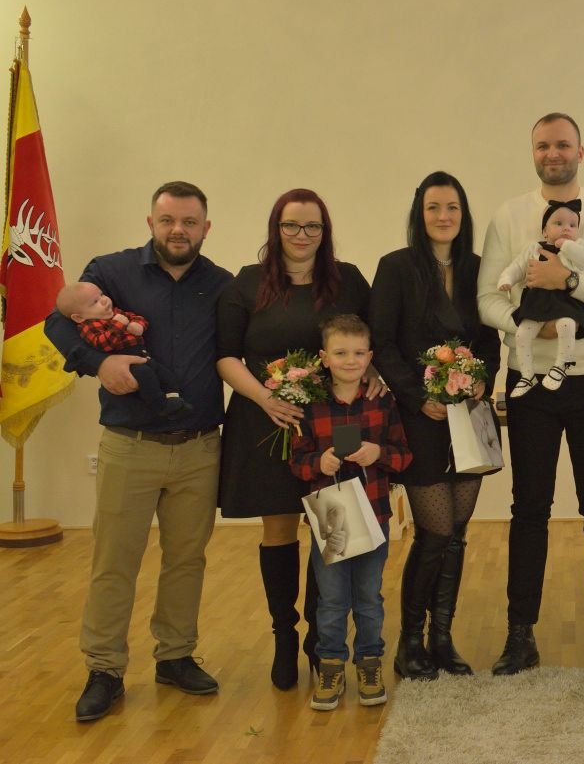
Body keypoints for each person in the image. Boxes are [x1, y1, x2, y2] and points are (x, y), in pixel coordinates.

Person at [44, 181, 232, 722]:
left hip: (199, 447)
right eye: (168, 220)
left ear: (206, 227)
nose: (178, 230)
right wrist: (98, 363)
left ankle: (175, 656)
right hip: (131, 446)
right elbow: (57, 321)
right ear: (151, 222)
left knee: (187, 559)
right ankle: (104, 669)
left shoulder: (222, 284)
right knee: (114, 561)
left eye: (189, 222)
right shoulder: (110, 272)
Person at [477, 112, 584, 676]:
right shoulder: (508, 216)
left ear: (580, 151)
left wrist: (569, 282)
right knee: (528, 509)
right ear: (533, 153)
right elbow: (488, 298)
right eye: (544, 145)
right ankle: (519, 633)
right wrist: (533, 325)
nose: (554, 153)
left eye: (563, 144)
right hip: (530, 382)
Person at [216, 188, 375, 691]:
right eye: (291, 225)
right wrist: (266, 398)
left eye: (312, 226)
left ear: (324, 231)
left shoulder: (348, 280)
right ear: (276, 228)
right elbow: (226, 356)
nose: (301, 235)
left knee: (329, 532)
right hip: (268, 423)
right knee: (280, 530)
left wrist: (374, 380)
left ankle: (319, 640)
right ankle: (284, 635)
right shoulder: (247, 283)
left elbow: (373, 342)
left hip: (332, 427)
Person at [369, 171, 500, 679]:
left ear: (463, 215)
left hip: (470, 417)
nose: (443, 217)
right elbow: (382, 343)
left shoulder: (478, 269)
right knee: (435, 531)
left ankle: (442, 638)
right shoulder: (396, 267)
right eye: (433, 207)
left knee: (456, 534)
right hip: (420, 418)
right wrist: (418, 396)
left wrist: (482, 379)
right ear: (419, 214)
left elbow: (490, 340)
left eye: (452, 208)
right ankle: (410, 643)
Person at [290, 314, 412, 711]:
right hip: (331, 514)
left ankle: (369, 662)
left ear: (370, 357)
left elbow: (403, 455)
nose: (350, 360)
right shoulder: (310, 404)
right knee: (331, 599)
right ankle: (330, 665)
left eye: (359, 353)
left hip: (374, 513)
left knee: (369, 596)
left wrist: (379, 453)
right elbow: (297, 461)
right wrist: (318, 463)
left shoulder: (383, 401)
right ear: (324, 357)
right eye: (340, 353)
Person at [496, 199, 584, 397]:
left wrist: (567, 246)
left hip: (566, 301)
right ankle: (527, 375)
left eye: (572, 225)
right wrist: (506, 279)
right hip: (537, 301)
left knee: (567, 324)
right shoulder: (534, 248)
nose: (566, 228)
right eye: (559, 223)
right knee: (522, 334)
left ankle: (561, 364)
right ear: (545, 231)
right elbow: (517, 267)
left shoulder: (578, 247)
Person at [56, 281, 191, 417]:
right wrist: (118, 324)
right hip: (126, 362)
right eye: (95, 302)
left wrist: (138, 325)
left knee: (165, 374)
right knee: (146, 376)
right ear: (79, 317)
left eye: (101, 294)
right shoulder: (88, 326)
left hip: (143, 355)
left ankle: (175, 399)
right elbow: (102, 344)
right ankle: (160, 406)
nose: (104, 300)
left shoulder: (116, 312)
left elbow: (135, 317)